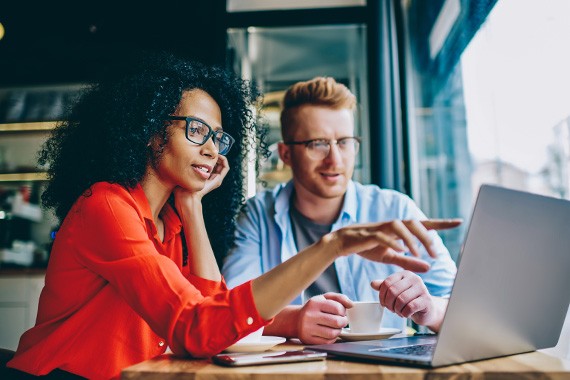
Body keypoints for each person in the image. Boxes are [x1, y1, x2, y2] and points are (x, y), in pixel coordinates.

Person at [6, 54, 459, 379]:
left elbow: (211, 317)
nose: (210, 148)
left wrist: (193, 204)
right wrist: (332, 246)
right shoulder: (107, 206)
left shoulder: (172, 221)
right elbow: (198, 328)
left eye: (218, 137)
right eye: (196, 130)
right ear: (149, 132)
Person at [222, 77, 459, 344]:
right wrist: (293, 321)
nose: (335, 159)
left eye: (344, 142)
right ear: (286, 154)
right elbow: (228, 311)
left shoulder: (395, 209)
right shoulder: (258, 214)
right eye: (318, 143)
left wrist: (429, 309)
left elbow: (462, 306)